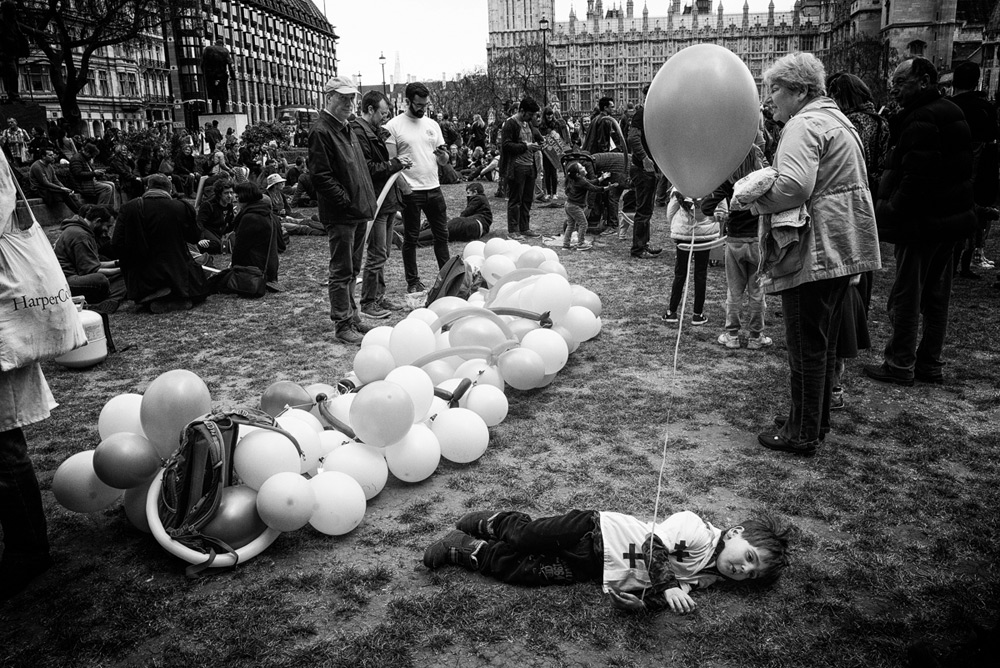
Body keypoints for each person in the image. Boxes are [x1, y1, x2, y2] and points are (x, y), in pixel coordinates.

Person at [739, 52, 880, 456]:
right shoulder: (838, 120)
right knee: (825, 340)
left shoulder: (804, 124)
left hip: (815, 249)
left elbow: (794, 186)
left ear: (800, 91)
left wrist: (753, 201)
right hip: (843, 244)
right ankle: (813, 420)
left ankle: (801, 432)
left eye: (776, 90)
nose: (770, 100)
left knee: (806, 344)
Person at [423, 508, 790, 614]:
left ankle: (464, 549)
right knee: (526, 536)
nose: (744, 569)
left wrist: (641, 603)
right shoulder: (695, 528)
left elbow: (664, 598)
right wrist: (669, 584)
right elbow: (651, 546)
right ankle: (496, 522)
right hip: (593, 530)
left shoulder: (708, 578)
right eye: (750, 557)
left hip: (594, 569)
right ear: (734, 533)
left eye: (751, 574)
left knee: (524, 571)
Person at [863, 57, 975, 387]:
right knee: (937, 297)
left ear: (923, 81)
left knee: (907, 297)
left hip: (922, 224)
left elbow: (916, 178)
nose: (894, 89)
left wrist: (892, 209)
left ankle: (899, 363)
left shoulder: (920, 118)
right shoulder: (951, 110)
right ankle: (929, 363)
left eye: (901, 82)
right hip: (951, 222)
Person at [825, 72, 887, 407]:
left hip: (842, 217)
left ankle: (832, 384)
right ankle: (836, 378)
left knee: (836, 301)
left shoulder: (843, 126)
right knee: (854, 292)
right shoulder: (881, 123)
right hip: (867, 214)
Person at [308, 75, 377, 344]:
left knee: (352, 267)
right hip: (343, 212)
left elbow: (357, 170)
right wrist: (346, 201)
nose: (349, 103)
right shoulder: (322, 130)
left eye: (352, 98)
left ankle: (352, 315)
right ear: (329, 97)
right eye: (343, 98)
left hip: (356, 209)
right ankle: (343, 321)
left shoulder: (345, 128)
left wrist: (360, 201)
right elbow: (321, 176)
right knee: (342, 268)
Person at [384, 82, 451, 294]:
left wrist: (444, 157)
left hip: (434, 188)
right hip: (411, 190)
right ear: (408, 101)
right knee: (411, 238)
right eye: (419, 104)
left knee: (442, 235)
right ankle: (413, 281)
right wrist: (404, 188)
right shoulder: (393, 126)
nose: (423, 108)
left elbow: (444, 160)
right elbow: (391, 162)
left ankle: (447, 276)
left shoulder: (432, 124)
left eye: (426, 104)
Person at [350, 90, 411, 320]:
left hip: (385, 200)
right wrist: (394, 163)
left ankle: (378, 295)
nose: (386, 117)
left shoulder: (376, 132)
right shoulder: (359, 132)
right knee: (376, 253)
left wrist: (396, 163)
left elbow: (383, 162)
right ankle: (368, 301)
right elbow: (368, 168)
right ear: (369, 110)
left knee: (383, 252)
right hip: (375, 200)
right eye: (383, 113)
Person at [111, 174, 210, 313]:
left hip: (143, 275)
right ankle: (173, 297)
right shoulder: (181, 207)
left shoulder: (129, 208)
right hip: (177, 272)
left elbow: (116, 244)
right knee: (201, 285)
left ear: (147, 188)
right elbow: (194, 237)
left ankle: (151, 295)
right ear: (169, 190)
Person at [948, 60, 999, 278]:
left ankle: (951, 264)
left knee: (953, 222)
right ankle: (966, 264)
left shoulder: (947, 108)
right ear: (976, 81)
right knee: (975, 222)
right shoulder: (985, 109)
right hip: (978, 176)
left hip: (951, 174)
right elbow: (991, 146)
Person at [661, 189, 718, 326]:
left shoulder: (680, 184)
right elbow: (721, 210)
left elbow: (670, 212)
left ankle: (672, 312)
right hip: (706, 234)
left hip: (683, 235)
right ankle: (697, 314)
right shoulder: (714, 183)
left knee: (680, 273)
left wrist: (677, 227)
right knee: (700, 274)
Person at [52, 204, 125, 312]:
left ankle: (109, 298)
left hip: (72, 277)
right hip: (67, 281)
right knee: (102, 279)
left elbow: (94, 263)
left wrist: (118, 263)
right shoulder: (80, 235)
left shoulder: (80, 230)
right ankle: (103, 302)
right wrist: (122, 269)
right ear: (97, 221)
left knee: (121, 276)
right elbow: (91, 270)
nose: (107, 231)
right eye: (108, 226)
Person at [500, 97, 543, 240]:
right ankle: (513, 230)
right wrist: (526, 146)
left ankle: (524, 227)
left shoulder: (528, 124)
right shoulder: (510, 124)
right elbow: (506, 145)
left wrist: (538, 145)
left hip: (530, 165)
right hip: (516, 167)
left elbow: (535, 138)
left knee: (527, 199)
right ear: (522, 111)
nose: (532, 118)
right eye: (530, 114)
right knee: (515, 199)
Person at [626, 90, 663, 259]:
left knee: (647, 210)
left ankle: (643, 245)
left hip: (648, 170)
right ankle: (638, 248)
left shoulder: (654, 114)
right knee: (643, 210)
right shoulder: (642, 114)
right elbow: (633, 138)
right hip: (642, 170)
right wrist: (645, 159)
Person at [230, 181, 281, 284]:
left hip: (257, 272)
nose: (236, 199)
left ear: (244, 197)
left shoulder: (250, 217)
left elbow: (240, 248)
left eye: (237, 196)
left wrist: (233, 268)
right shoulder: (266, 213)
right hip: (269, 269)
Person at [562, 161, 611, 251]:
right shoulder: (581, 181)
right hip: (574, 206)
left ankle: (566, 245)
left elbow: (591, 182)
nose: (584, 167)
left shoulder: (577, 179)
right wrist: (607, 188)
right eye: (581, 168)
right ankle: (581, 243)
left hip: (568, 204)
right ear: (578, 174)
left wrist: (601, 178)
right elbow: (594, 188)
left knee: (571, 225)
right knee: (583, 224)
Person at [29, 148, 81, 214]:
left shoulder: (49, 166)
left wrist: (65, 188)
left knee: (70, 193)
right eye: (50, 155)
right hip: (41, 190)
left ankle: (83, 211)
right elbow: (45, 183)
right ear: (43, 157)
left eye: (53, 155)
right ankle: (79, 213)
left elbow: (55, 180)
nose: (53, 157)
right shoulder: (37, 166)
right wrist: (61, 188)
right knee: (64, 194)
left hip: (48, 189)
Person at [69, 143, 116, 208]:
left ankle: (109, 209)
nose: (92, 158)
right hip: (83, 184)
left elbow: (89, 171)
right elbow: (78, 174)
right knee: (107, 188)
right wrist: (94, 173)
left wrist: (98, 173)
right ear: (87, 152)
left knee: (112, 184)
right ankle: (99, 210)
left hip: (89, 182)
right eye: (91, 156)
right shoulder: (77, 159)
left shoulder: (84, 158)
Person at [195, 177, 235, 254]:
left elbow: (231, 223)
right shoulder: (208, 205)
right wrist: (201, 239)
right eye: (226, 193)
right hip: (207, 232)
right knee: (216, 246)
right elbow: (199, 223)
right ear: (219, 194)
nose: (230, 196)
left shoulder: (229, 205)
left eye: (231, 192)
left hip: (220, 232)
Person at [201, 38, 236, 114]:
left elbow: (202, 63)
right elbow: (230, 64)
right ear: (222, 44)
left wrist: (204, 74)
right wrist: (233, 76)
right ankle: (223, 110)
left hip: (210, 75)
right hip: (222, 75)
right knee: (222, 94)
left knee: (213, 94)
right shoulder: (225, 51)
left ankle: (214, 111)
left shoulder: (207, 49)